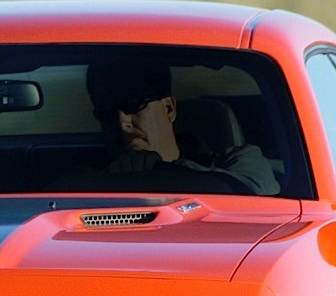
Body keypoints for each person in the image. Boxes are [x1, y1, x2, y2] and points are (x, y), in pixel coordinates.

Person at [85, 61, 280, 195]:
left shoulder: (238, 162)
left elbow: (254, 191)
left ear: (169, 108)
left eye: (133, 105)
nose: (121, 121)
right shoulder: (85, 177)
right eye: (106, 112)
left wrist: (158, 171)